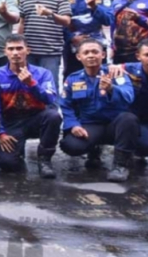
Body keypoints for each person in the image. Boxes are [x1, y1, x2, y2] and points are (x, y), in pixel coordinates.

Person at [59, 39, 138, 182]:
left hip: (114, 124)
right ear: (79, 57)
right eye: (86, 52)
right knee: (70, 146)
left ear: (103, 55)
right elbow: (66, 105)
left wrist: (112, 89)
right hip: (90, 124)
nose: (91, 55)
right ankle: (93, 149)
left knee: (129, 119)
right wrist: (73, 125)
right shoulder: (73, 79)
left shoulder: (116, 74)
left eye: (95, 52)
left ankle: (120, 165)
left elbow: (128, 97)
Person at [0, 34, 61, 178]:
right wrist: (0, 133)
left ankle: (45, 159)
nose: (15, 53)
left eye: (19, 48)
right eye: (11, 49)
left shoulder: (43, 73)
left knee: (53, 116)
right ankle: (17, 153)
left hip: (36, 117)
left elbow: (50, 99)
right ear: (5, 52)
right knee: (7, 164)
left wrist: (32, 84)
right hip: (11, 121)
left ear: (28, 50)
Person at [108, 39, 148, 159]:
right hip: (134, 121)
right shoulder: (127, 69)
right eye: (147, 55)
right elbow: (97, 70)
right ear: (138, 56)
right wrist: (111, 67)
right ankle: (131, 146)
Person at [17, 0, 72, 88]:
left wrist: (50, 13)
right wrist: (19, 45)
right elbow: (22, 22)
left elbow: (67, 21)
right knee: (28, 87)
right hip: (29, 52)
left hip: (51, 52)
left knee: (49, 87)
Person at [63, 0, 113, 78]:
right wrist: (71, 37)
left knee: (100, 76)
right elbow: (60, 23)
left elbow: (108, 20)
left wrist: (94, 7)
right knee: (72, 77)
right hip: (73, 47)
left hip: (97, 46)